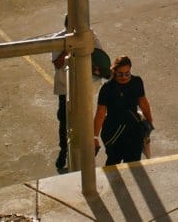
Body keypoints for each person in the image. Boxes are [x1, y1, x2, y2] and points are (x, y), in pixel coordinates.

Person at [51, 17, 106, 172]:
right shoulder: (58, 39)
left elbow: (100, 56)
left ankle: (86, 152)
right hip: (66, 87)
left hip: (84, 86)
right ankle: (64, 150)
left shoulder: (90, 36)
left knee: (85, 118)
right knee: (64, 119)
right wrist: (68, 49)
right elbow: (57, 64)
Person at [93, 55, 154, 166]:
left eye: (127, 73)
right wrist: (95, 136)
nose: (124, 77)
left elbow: (144, 104)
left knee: (134, 165)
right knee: (113, 164)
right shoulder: (107, 89)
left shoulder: (137, 82)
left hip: (134, 131)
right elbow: (100, 114)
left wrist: (149, 124)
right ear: (114, 71)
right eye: (120, 74)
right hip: (113, 133)